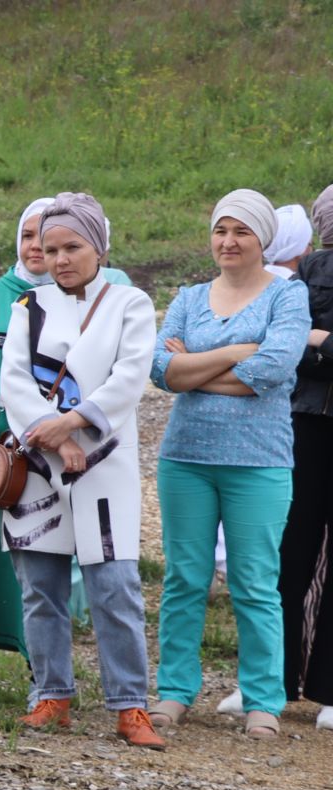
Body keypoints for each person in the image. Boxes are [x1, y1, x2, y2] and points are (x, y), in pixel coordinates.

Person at [0, 196, 134, 700]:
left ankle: (43, 673)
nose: (37, 247)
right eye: (29, 235)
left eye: (50, 238)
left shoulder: (87, 300)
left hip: (46, 451)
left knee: (36, 558)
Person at [0, 194, 164, 749]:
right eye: (50, 248)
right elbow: (14, 382)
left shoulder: (130, 303)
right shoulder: (28, 306)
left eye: (72, 246)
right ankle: (52, 695)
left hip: (106, 463)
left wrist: (72, 427)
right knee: (40, 588)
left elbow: (129, 378)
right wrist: (53, 432)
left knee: (114, 586)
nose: (61, 258)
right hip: (37, 464)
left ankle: (130, 705)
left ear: (99, 246)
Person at [149, 190, 312, 740]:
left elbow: (273, 368)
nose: (229, 241)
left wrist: (191, 367)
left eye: (241, 231)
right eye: (221, 230)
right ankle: (174, 692)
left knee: (256, 583)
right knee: (183, 580)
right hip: (184, 458)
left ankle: (264, 699)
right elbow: (159, 370)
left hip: (259, 462)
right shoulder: (190, 296)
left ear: (262, 239)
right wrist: (233, 352)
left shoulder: (288, 298)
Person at [275, 185, 333, 730]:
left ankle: (306, 685)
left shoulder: (301, 273)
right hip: (303, 422)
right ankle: (280, 681)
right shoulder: (305, 272)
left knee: (291, 555)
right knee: (288, 553)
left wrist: (320, 340)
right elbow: (285, 345)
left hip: (303, 421)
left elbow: (301, 347)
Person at [265, 203, 312, 279]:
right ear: (300, 250)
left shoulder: (249, 280)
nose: (311, 251)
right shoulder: (299, 288)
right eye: (310, 244)